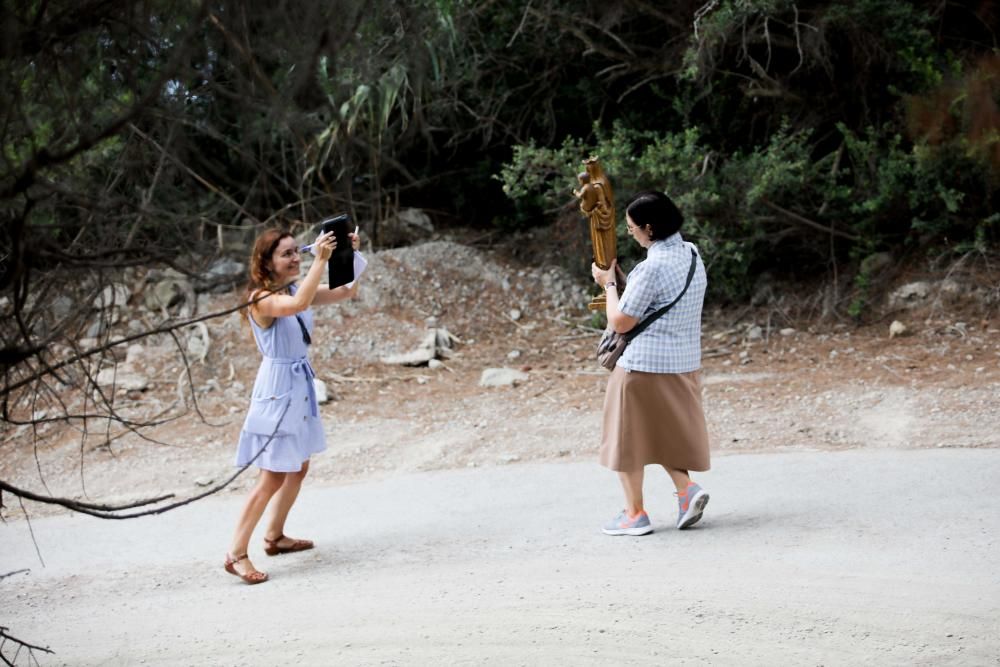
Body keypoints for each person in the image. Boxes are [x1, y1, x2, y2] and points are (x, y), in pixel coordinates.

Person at [224, 225, 361, 584]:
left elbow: (348, 291)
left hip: (298, 385)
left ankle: (275, 536)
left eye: (295, 252)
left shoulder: (295, 288)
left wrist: (347, 255)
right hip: (277, 388)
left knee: (298, 467)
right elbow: (298, 306)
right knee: (271, 477)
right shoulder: (261, 299)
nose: (294, 259)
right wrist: (320, 259)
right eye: (285, 254)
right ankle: (236, 553)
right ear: (266, 262)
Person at [590, 190, 710, 536]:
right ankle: (687, 492)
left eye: (631, 228)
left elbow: (620, 321)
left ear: (649, 229)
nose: (630, 233)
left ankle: (634, 514)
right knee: (662, 435)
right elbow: (654, 302)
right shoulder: (690, 254)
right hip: (682, 362)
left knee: (626, 441)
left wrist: (609, 283)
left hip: (641, 367)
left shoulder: (652, 266)